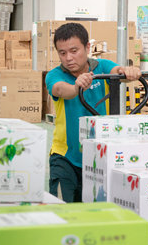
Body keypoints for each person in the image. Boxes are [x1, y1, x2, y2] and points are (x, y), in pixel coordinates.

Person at [45, 23, 141, 203]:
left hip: (101, 154)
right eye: (62, 53)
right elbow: (60, 89)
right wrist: (77, 87)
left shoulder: (102, 66)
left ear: (87, 47)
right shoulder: (54, 75)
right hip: (66, 156)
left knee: (96, 208)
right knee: (61, 207)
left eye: (74, 51)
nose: (68, 58)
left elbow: (118, 71)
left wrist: (129, 71)